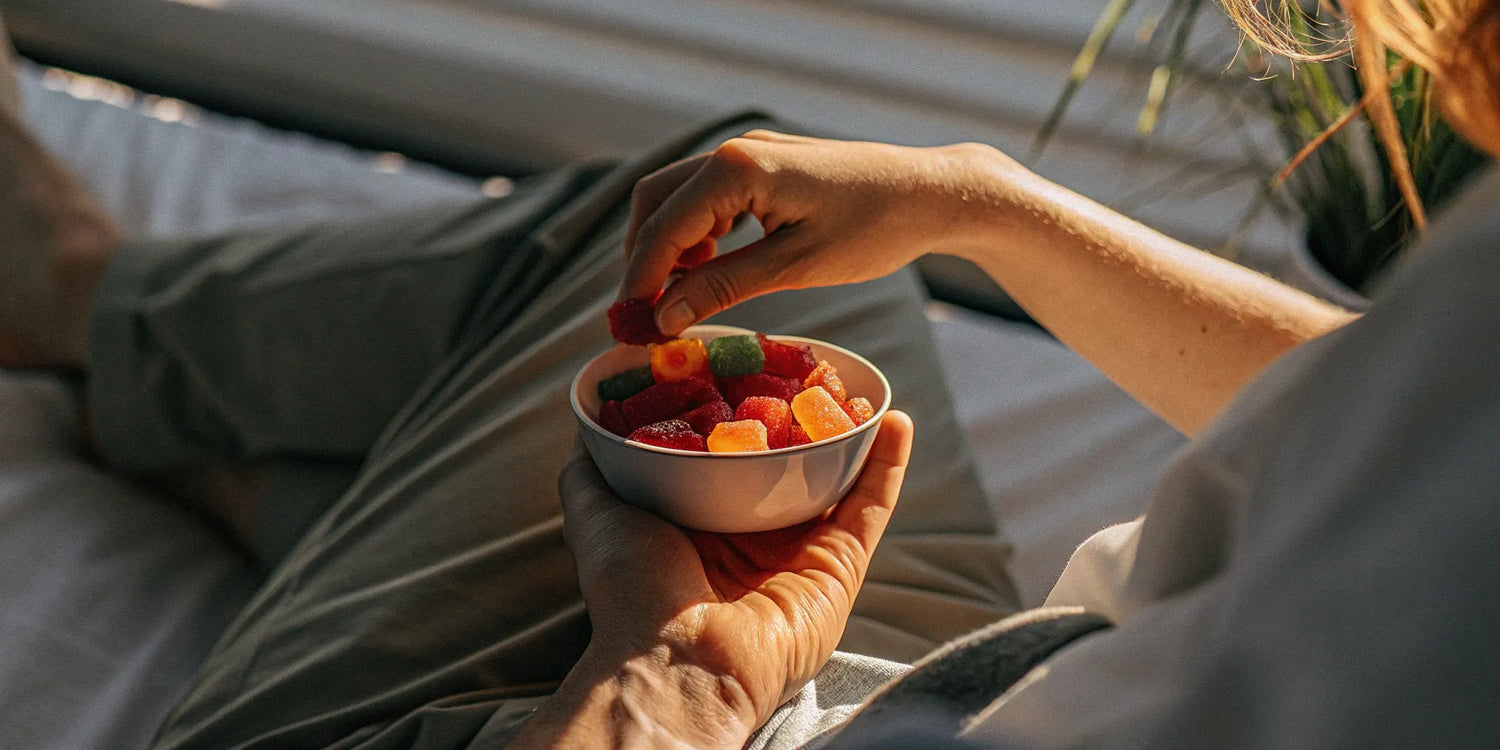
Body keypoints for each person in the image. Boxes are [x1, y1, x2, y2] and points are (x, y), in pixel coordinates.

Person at [2, 0, 1497, 745]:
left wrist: (671, 676)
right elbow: (1411, 430)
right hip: (941, 673)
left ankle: (79, 301)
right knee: (781, 247)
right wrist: (987, 205)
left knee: (605, 249)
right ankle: (201, 438)